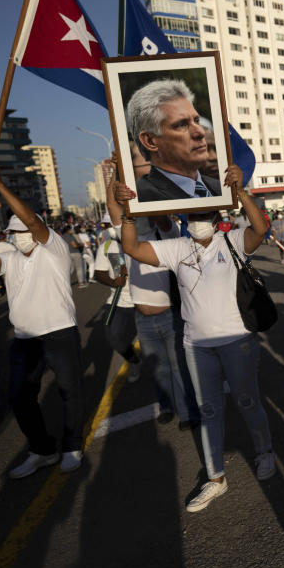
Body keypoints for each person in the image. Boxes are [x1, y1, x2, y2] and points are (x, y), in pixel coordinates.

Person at [118, 163, 275, 513]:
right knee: (208, 410)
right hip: (196, 345)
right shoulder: (177, 248)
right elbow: (132, 248)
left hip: (238, 340)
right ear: (185, 218)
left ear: (216, 213)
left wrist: (242, 191)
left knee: (248, 400)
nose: (198, 218)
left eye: (204, 212)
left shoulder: (232, 241)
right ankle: (216, 478)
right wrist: (128, 212)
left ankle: (265, 452)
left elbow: (260, 228)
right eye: (193, 213)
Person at [0, 159, 86, 478]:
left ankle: (73, 445)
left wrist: (0, 184)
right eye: (12, 232)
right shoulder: (9, 258)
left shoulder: (54, 248)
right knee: (19, 396)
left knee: (69, 391)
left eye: (22, 230)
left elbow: (32, 221)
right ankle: (43, 449)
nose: (18, 235)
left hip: (59, 333)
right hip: (25, 339)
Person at [105, 163, 200, 430]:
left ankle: (190, 413)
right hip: (142, 319)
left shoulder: (164, 235)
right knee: (158, 369)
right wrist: (117, 169)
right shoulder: (128, 241)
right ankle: (168, 406)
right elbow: (113, 205)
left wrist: (149, 197)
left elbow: (161, 218)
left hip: (169, 315)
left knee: (178, 367)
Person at [127, 79, 222, 202]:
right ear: (150, 141)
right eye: (182, 124)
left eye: (196, 121)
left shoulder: (219, 188)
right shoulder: (143, 199)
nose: (200, 132)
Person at [92, 223, 142, 383]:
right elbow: (99, 273)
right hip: (119, 300)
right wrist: (114, 282)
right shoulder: (106, 247)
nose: (109, 228)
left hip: (144, 299)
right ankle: (134, 360)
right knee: (112, 336)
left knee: (152, 341)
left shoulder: (142, 240)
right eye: (107, 225)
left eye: (112, 224)